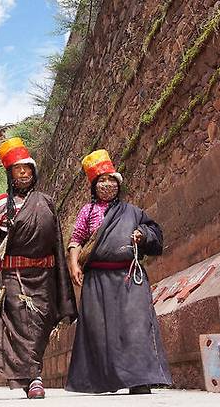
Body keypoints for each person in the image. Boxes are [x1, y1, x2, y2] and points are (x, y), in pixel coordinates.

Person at [0, 137, 77, 399]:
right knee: (22, 323)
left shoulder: (46, 201)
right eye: (18, 169)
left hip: (44, 275)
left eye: (28, 168)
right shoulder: (1, 205)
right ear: (10, 174)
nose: (24, 173)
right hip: (14, 275)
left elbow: (56, 242)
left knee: (40, 324)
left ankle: (33, 371)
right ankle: (34, 377)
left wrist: (61, 278)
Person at [65, 149, 172, 394]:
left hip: (128, 276)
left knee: (136, 326)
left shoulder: (132, 212)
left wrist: (142, 235)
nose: (107, 184)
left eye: (111, 180)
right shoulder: (87, 212)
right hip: (96, 280)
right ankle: (104, 381)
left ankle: (139, 381)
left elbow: (154, 232)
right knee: (100, 331)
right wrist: (73, 264)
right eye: (101, 181)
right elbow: (76, 240)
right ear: (94, 186)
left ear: (118, 183)